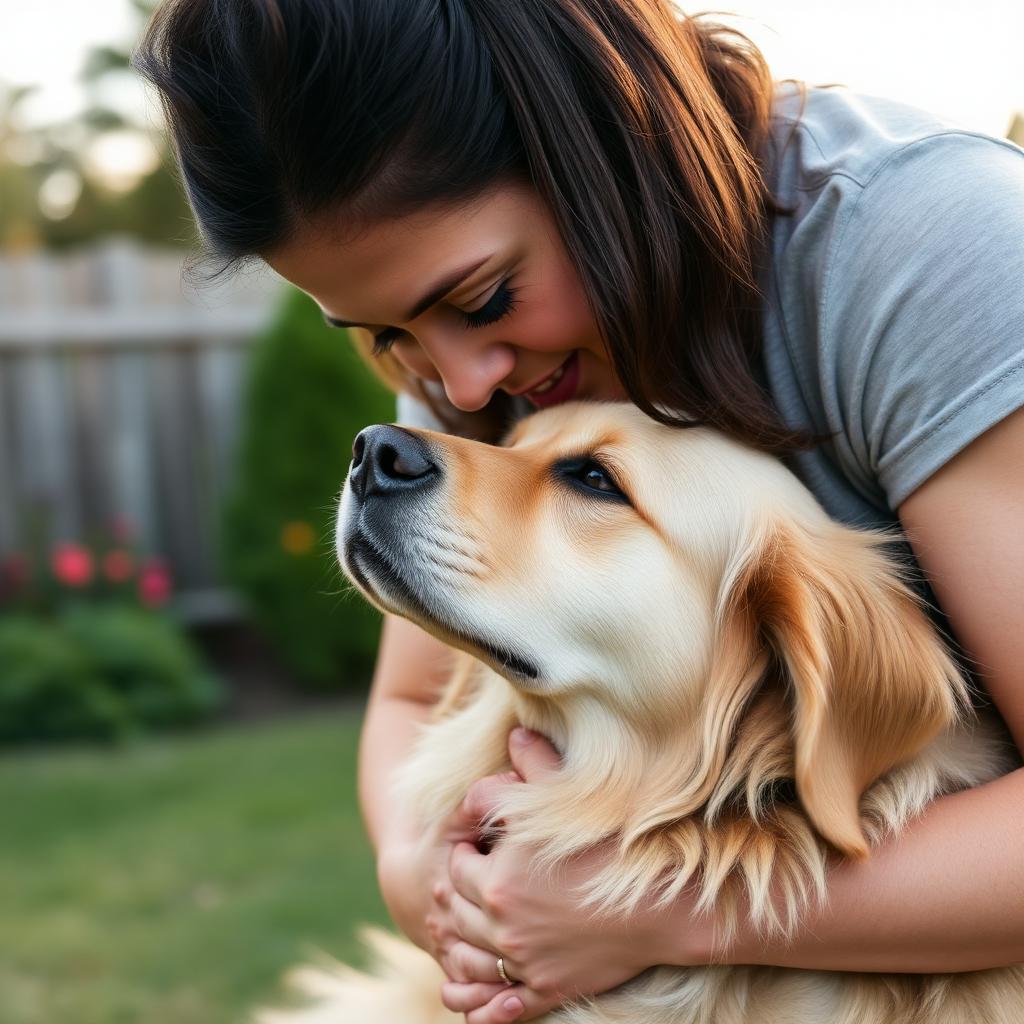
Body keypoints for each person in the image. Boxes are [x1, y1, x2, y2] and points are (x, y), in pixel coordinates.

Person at [134, 2, 1024, 1022]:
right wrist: (445, 894)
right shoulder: (476, 344)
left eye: (481, 299)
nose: (460, 390)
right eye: (384, 337)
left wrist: (662, 908)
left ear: (593, 149)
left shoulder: (933, 251)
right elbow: (413, 702)